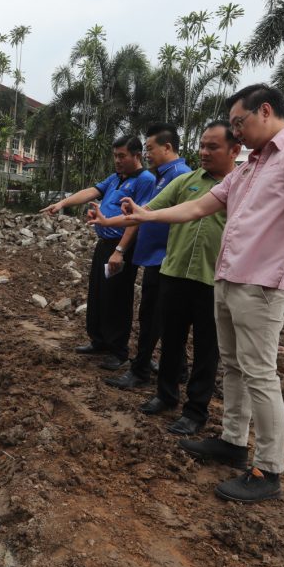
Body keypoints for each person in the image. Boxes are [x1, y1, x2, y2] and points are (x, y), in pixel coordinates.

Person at [119, 84, 284, 503]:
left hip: (264, 284)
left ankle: (269, 469)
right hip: (229, 279)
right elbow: (198, 207)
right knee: (234, 367)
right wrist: (148, 215)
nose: (237, 134)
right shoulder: (250, 166)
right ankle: (234, 442)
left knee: (259, 374)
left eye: (240, 123)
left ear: (266, 111)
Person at [91, 121, 241, 436]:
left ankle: (196, 410)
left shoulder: (242, 187)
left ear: (235, 150)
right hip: (174, 272)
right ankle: (165, 395)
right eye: (201, 145)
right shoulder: (185, 181)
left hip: (214, 278)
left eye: (212, 147)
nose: (203, 152)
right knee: (171, 340)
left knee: (206, 349)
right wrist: (109, 219)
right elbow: (147, 211)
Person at [41, 135, 156, 370]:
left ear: (137, 155)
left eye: (122, 156)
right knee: (99, 292)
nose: (117, 160)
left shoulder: (145, 180)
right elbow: (91, 191)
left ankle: (118, 350)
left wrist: (120, 251)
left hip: (122, 247)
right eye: (115, 156)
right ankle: (99, 340)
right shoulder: (116, 178)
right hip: (104, 244)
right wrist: (62, 204)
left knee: (117, 297)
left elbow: (136, 219)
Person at [102, 123, 191, 390]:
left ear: (167, 147)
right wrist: (107, 222)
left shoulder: (179, 176)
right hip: (154, 257)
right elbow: (145, 211)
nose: (147, 154)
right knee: (161, 317)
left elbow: (151, 213)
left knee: (152, 318)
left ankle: (140, 371)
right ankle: (178, 369)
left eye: (150, 149)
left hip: (163, 258)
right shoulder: (163, 175)